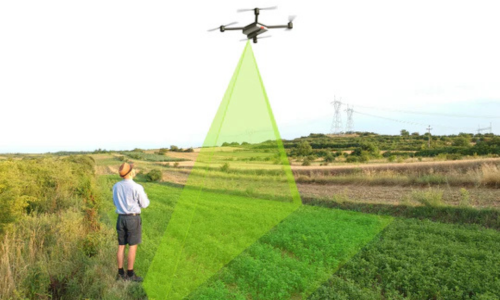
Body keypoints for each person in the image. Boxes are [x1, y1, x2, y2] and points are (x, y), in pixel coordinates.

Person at [113, 162, 150, 281]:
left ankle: (120, 273)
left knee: (121, 246)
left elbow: (115, 203)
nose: (134, 171)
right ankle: (130, 274)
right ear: (130, 172)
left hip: (121, 218)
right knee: (132, 247)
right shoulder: (137, 187)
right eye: (133, 169)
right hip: (133, 219)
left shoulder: (116, 186)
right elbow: (144, 204)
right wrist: (145, 196)